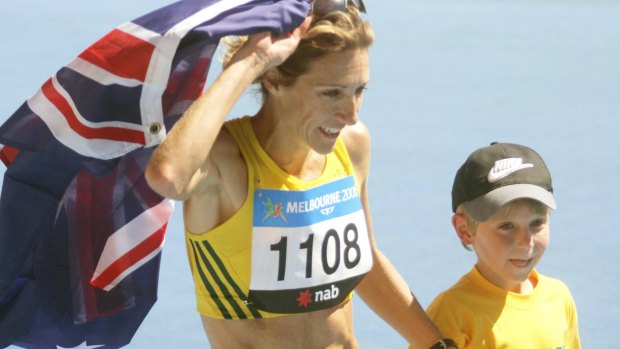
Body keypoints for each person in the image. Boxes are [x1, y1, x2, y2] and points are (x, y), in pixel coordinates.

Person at [145, 1, 456, 348]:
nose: (351, 114)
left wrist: (437, 345)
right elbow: (168, 176)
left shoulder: (351, 146)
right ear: (274, 78)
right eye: (332, 93)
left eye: (359, 91)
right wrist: (249, 62)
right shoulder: (224, 162)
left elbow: (365, 261)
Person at [420, 142, 581, 348]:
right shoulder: (451, 315)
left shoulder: (559, 298)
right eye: (507, 226)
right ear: (465, 230)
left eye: (537, 223)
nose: (525, 242)